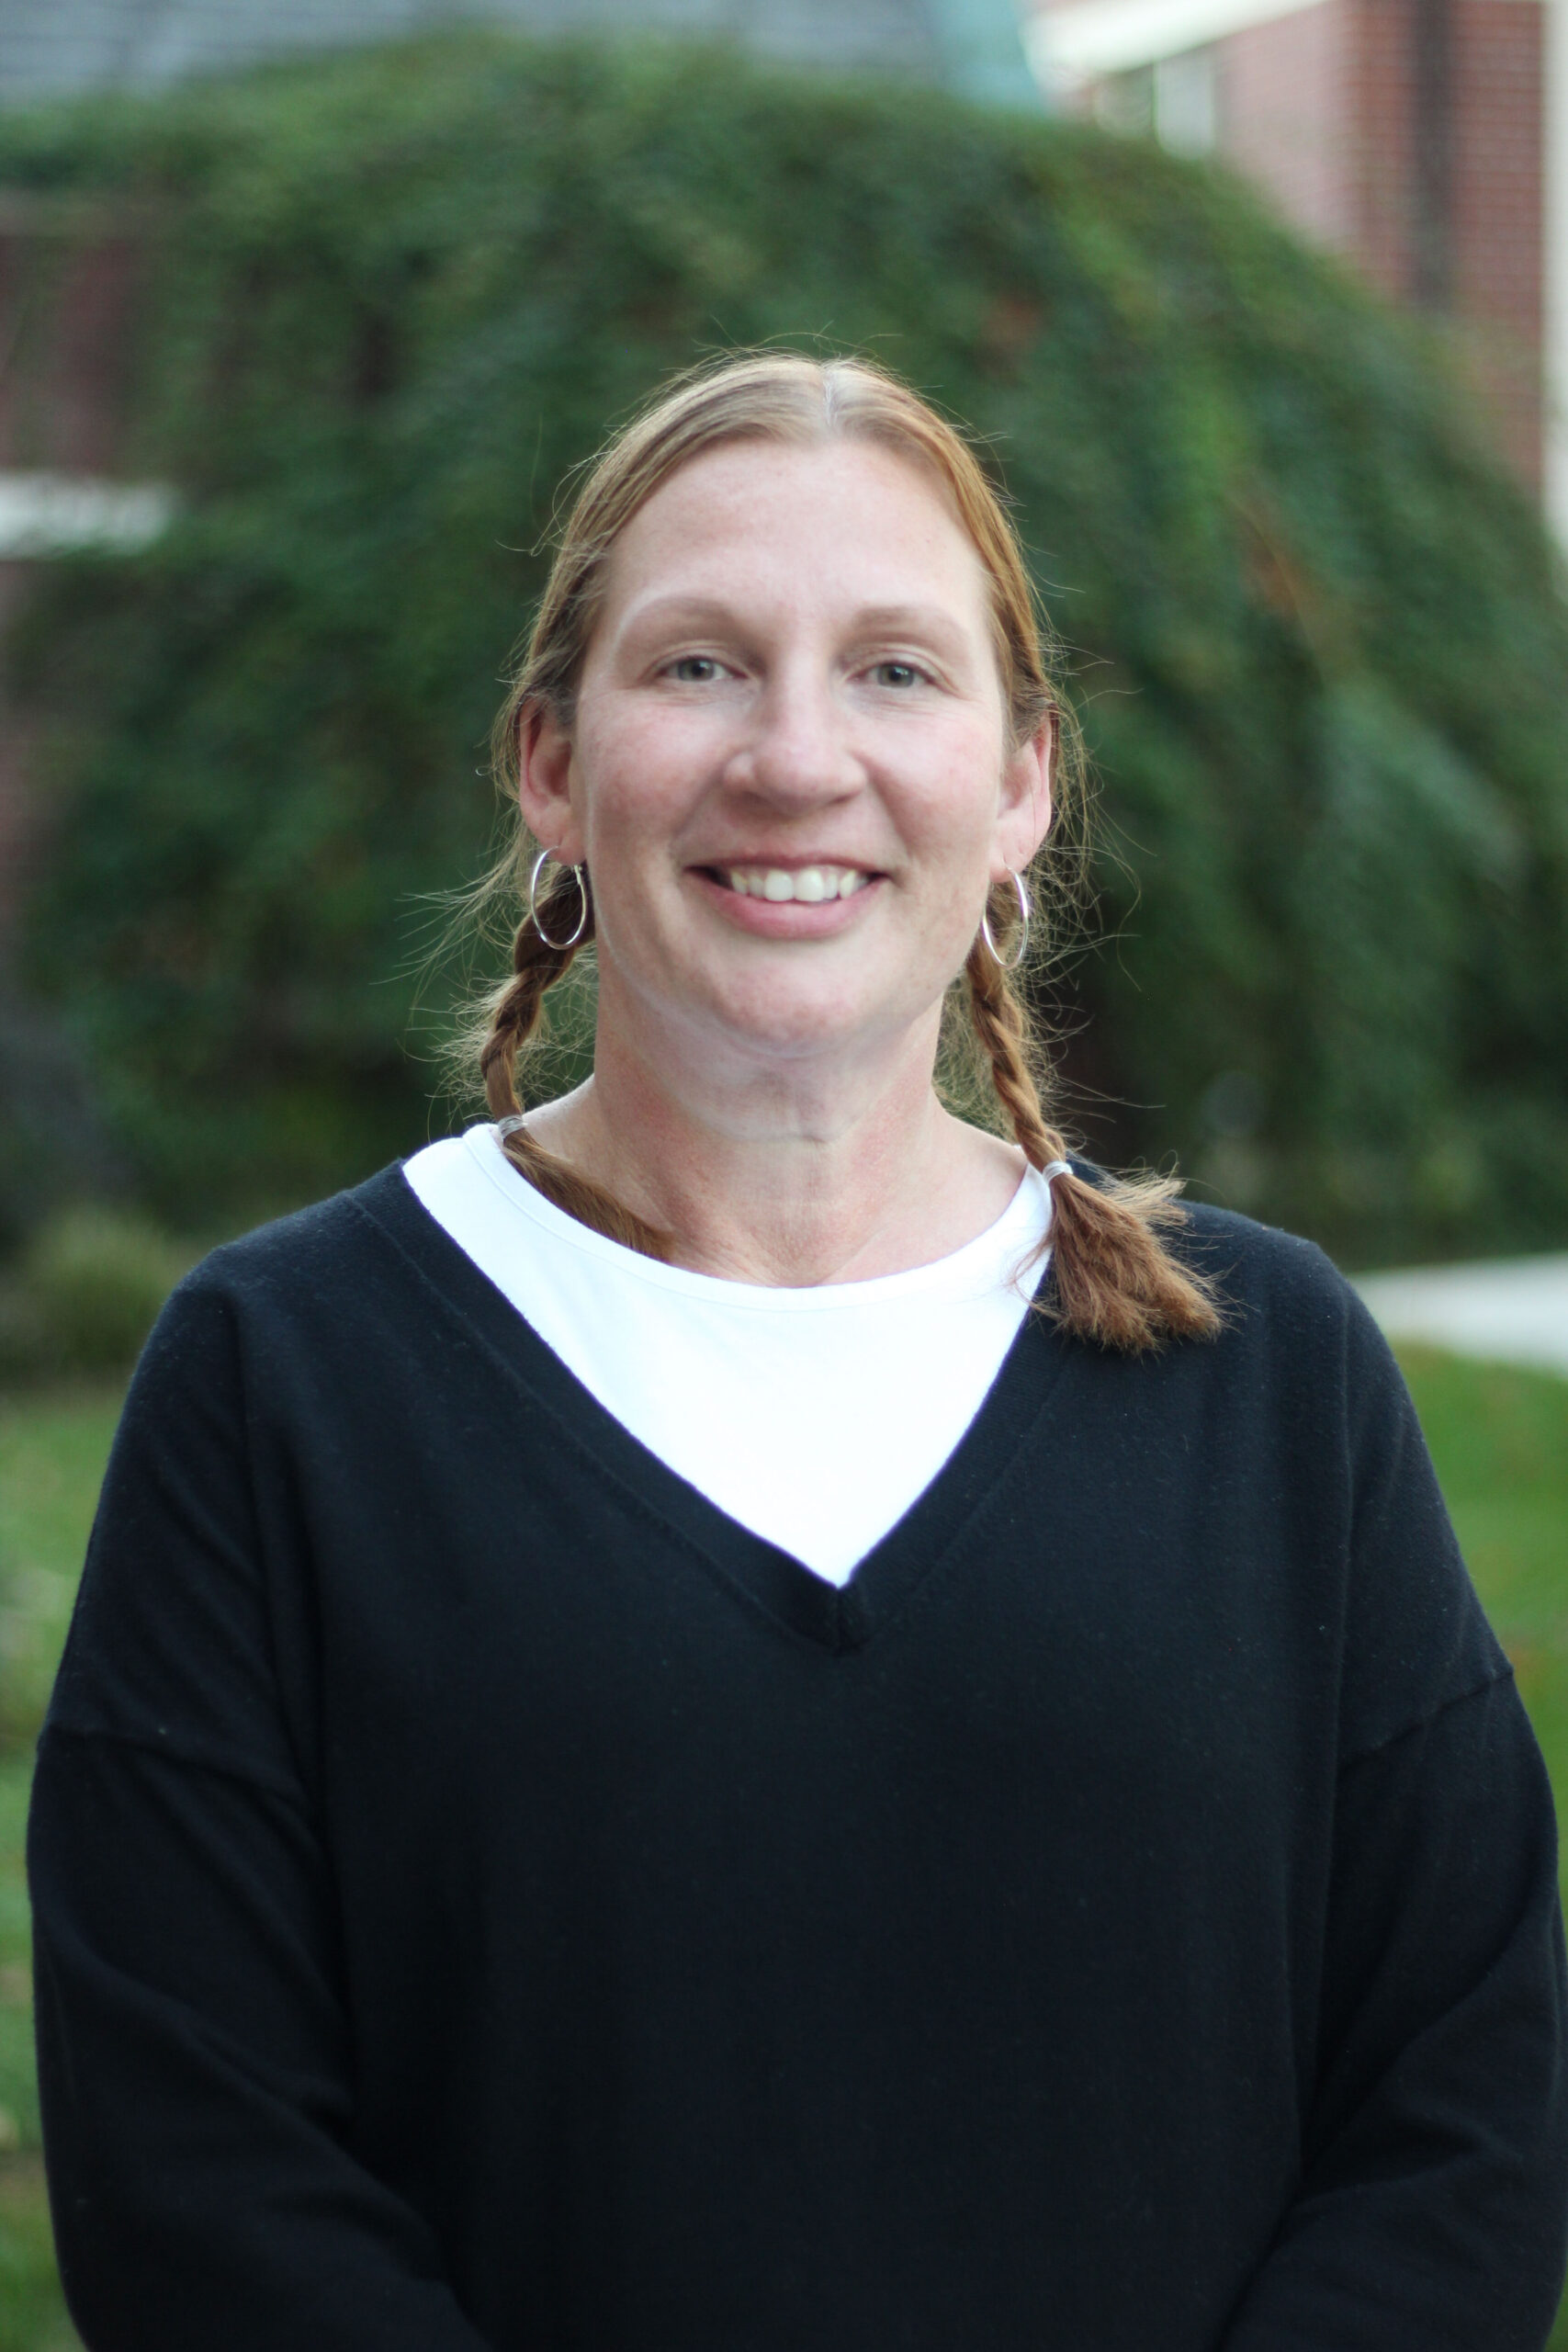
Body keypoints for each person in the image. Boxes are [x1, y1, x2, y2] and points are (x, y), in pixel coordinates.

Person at [28, 351, 1568, 2351]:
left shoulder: (1267, 1378)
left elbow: (1458, 2113)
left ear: (1018, 782)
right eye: (696, 666)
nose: (793, 756)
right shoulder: (282, 1381)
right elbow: (197, 2177)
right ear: (549, 766)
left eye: (894, 671)